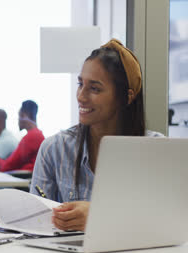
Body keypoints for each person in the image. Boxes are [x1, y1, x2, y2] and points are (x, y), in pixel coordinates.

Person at [30, 39, 163, 232]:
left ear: (127, 96)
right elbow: (34, 223)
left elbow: (164, 221)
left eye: (94, 88)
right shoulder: (54, 148)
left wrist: (100, 216)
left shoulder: (156, 150)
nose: (81, 96)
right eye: (80, 84)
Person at [0, 100, 45, 172]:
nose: (18, 120)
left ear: (23, 115)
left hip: (25, 180)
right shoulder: (38, 135)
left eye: (19, 116)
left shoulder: (32, 136)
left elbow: (7, 166)